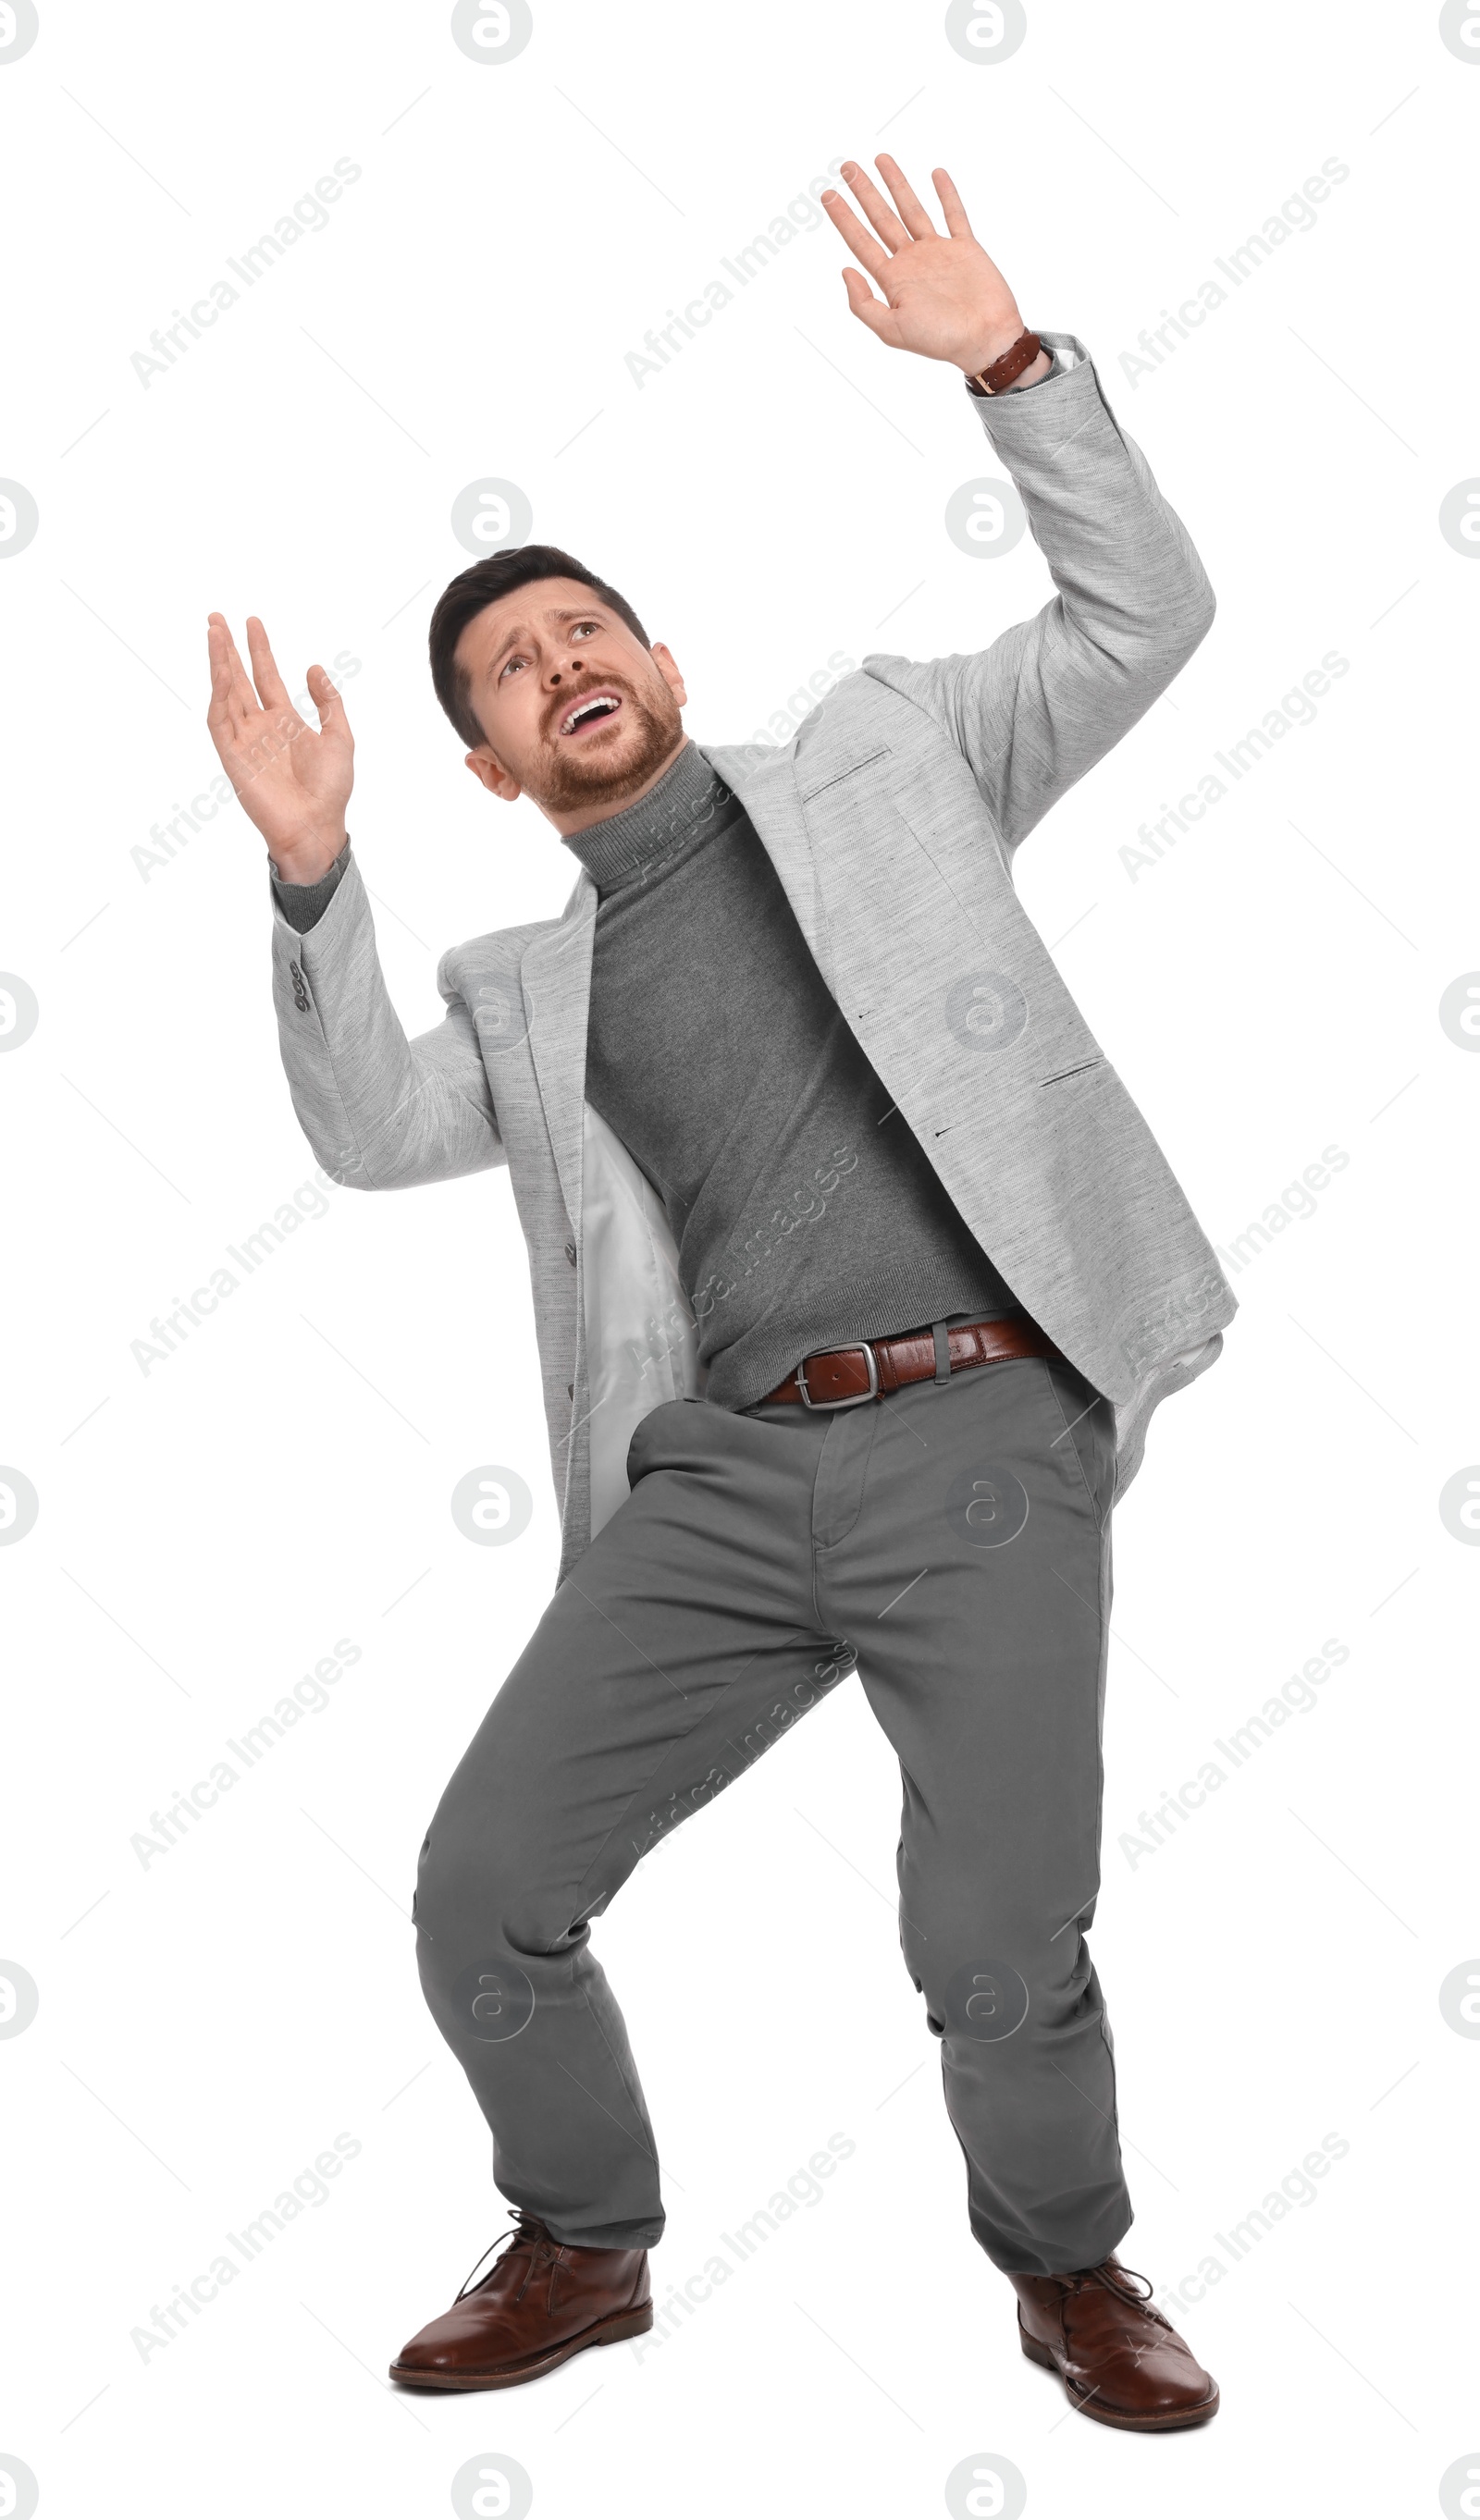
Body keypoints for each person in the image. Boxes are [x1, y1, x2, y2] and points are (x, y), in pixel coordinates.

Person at [206, 153, 1234, 2431]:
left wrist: (1005, 363)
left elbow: (1141, 620)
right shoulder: (519, 982)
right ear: (486, 765)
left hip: (981, 1437)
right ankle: (582, 2238)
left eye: (583, 628)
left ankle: (1068, 2270)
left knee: (989, 1949)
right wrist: (304, 881)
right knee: (482, 1884)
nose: (557, 661)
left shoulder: (893, 759)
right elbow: (368, 1127)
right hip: (721, 1478)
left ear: (657, 664)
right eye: (508, 669)